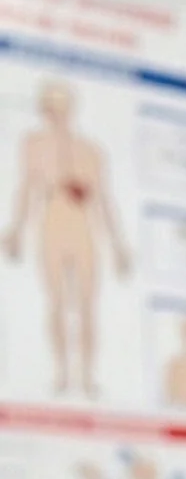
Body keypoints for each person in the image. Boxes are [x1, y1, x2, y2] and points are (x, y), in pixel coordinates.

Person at [2, 80, 132, 398]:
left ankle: (87, 376)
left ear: (71, 109)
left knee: (87, 305)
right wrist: (15, 231)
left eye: (60, 107)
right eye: (50, 108)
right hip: (52, 225)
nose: (55, 114)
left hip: (83, 227)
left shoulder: (91, 150)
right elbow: (26, 188)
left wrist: (118, 246)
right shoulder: (34, 144)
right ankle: (62, 373)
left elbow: (103, 198)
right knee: (58, 302)